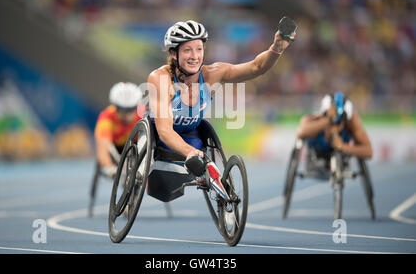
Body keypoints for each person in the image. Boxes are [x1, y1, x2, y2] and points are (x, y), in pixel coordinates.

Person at [147, 19, 295, 187]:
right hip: (159, 137)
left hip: (191, 136)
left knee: (204, 156)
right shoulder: (160, 78)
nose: (195, 56)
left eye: (199, 49)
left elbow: (256, 67)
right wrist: (190, 152)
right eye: (187, 50)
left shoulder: (212, 74)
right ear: (174, 53)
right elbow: (165, 130)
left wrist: (277, 48)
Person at [296, 92, 373, 178]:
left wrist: (343, 146)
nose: (335, 127)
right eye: (334, 123)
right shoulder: (317, 118)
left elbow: (369, 152)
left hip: (342, 153)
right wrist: (328, 120)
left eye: (340, 123)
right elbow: (300, 133)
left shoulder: (351, 122)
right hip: (319, 153)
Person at [94, 82, 144, 178]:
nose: (127, 114)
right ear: (116, 107)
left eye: (131, 109)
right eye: (123, 110)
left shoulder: (143, 114)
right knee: (107, 148)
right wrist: (109, 168)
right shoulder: (106, 118)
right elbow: (102, 148)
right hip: (116, 147)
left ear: (136, 107)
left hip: (136, 145)